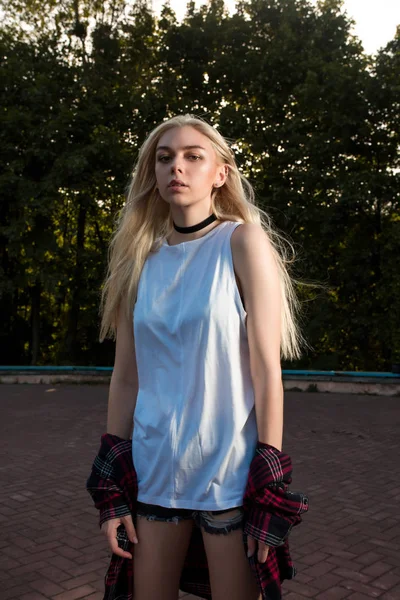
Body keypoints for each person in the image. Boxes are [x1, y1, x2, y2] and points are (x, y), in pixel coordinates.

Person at [97, 114, 304, 600]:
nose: (177, 167)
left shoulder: (241, 242)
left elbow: (266, 372)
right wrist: (111, 473)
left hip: (227, 472)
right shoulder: (138, 261)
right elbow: (126, 377)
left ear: (220, 173)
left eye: (194, 156)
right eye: (165, 157)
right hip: (154, 470)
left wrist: (269, 476)